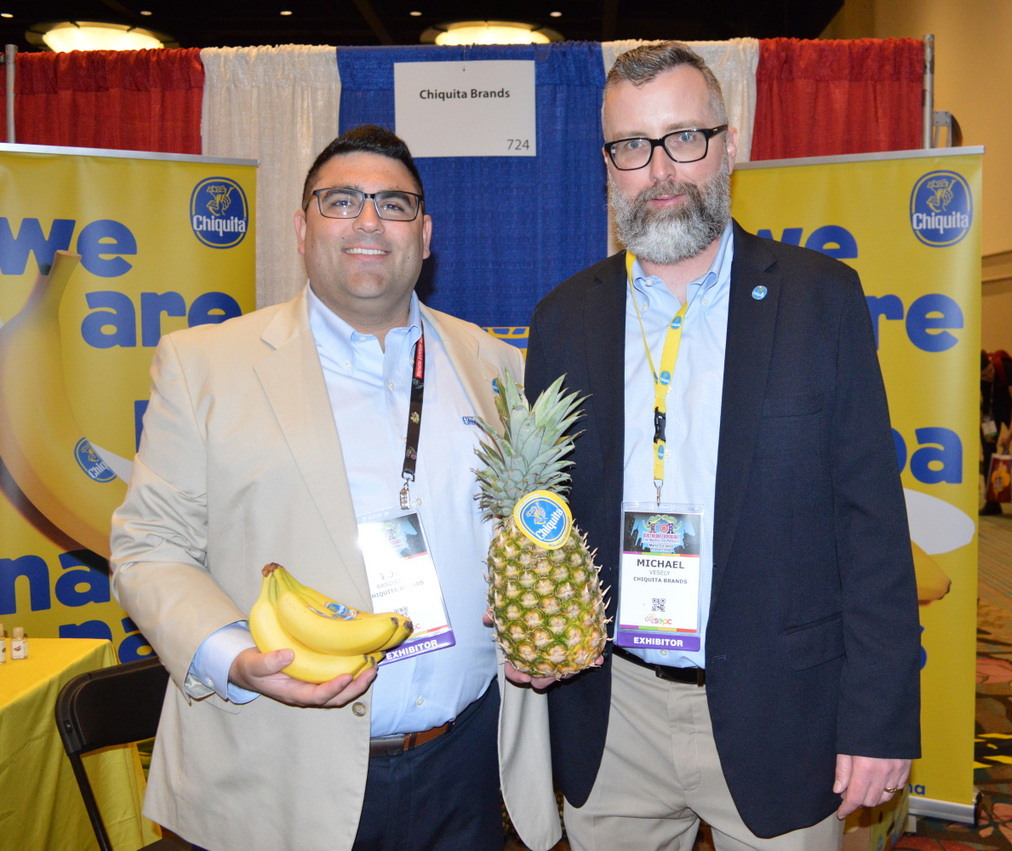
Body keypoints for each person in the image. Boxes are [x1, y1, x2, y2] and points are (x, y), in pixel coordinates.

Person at [110, 125, 559, 851]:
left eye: (394, 204)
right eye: (341, 200)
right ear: (301, 228)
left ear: (425, 234)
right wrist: (236, 659)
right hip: (280, 766)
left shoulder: (496, 364)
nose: (369, 221)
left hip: (467, 765)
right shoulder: (204, 366)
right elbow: (148, 548)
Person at [519, 42, 920, 849]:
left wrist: (879, 715)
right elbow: (544, 511)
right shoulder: (563, 318)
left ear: (728, 145)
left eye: (684, 137)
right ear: (608, 165)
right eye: (632, 146)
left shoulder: (820, 299)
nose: (660, 169)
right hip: (613, 710)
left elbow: (872, 525)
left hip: (783, 709)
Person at [979, 349, 1012, 515]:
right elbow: (980, 405)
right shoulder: (973, 378)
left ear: (991, 364)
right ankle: (992, 502)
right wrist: (987, 431)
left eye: (989, 371)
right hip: (990, 413)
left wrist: (1010, 433)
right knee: (988, 453)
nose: (989, 376)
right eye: (984, 376)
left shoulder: (1006, 368)